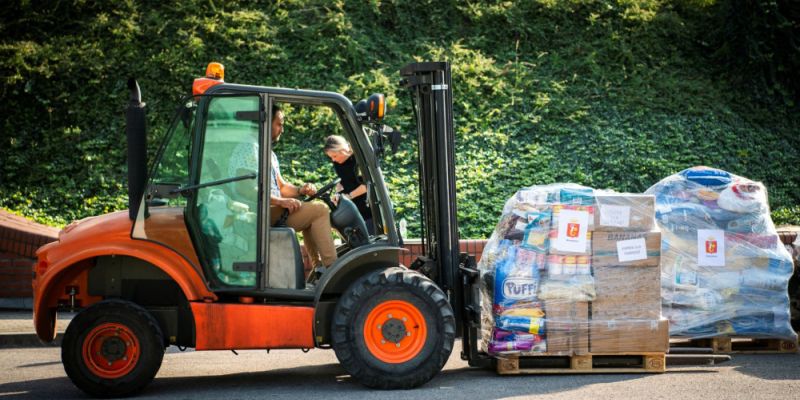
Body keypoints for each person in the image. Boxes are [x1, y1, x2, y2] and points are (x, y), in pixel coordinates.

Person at [229, 105, 337, 281]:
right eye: (279, 124)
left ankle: (319, 270)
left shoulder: (267, 152)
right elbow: (245, 189)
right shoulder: (249, 147)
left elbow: (281, 186)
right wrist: (280, 201)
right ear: (264, 123)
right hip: (259, 213)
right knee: (320, 210)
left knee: (313, 215)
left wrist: (301, 190)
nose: (282, 129)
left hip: (271, 209)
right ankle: (333, 271)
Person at [323, 135, 374, 234]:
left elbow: (367, 185)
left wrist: (348, 197)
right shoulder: (338, 163)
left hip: (366, 206)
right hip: (350, 205)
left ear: (342, 150)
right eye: (331, 157)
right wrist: (338, 195)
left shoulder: (359, 159)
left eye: (334, 156)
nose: (333, 160)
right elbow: (341, 182)